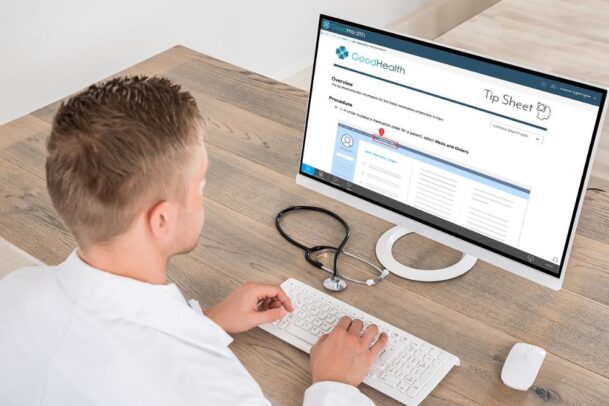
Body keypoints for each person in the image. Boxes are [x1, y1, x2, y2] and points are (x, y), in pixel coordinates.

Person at [0, 76, 388, 405]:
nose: (204, 196)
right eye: (200, 184)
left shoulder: (15, 293)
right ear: (162, 219)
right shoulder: (210, 389)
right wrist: (334, 386)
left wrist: (207, 325)